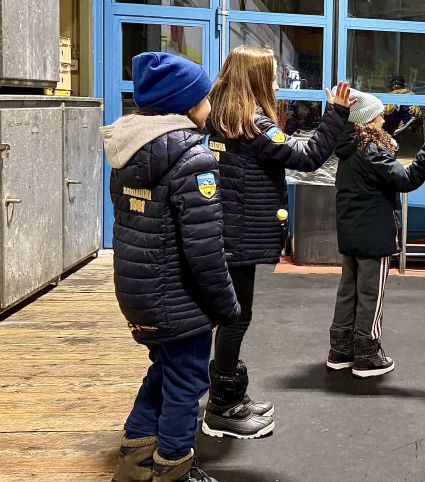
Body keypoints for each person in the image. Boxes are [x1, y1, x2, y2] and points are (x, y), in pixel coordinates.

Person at [204, 46, 355, 438]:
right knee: (236, 319)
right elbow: (306, 157)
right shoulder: (253, 123)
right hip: (237, 236)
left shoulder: (222, 117)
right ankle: (222, 407)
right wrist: (337, 112)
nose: (276, 82)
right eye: (270, 75)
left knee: (229, 318)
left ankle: (229, 395)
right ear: (254, 78)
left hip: (227, 234)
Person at [104, 52, 239, 482]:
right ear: (184, 104)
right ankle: (174, 469)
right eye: (205, 98)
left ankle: (135, 456)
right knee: (187, 384)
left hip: (138, 293)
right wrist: (226, 306)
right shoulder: (193, 161)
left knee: (165, 369)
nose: (211, 107)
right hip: (176, 299)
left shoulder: (128, 153)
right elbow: (204, 253)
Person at [327, 90, 425, 377]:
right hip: (375, 236)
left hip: (352, 234)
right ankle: (367, 356)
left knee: (348, 292)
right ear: (366, 120)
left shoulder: (349, 148)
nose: (383, 119)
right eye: (378, 115)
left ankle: (340, 350)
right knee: (371, 295)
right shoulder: (372, 151)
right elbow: (406, 179)